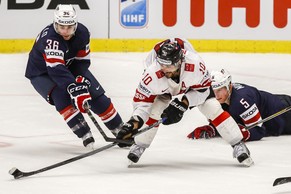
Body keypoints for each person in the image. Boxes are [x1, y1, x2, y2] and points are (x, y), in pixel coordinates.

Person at [116, 39, 254, 167]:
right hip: (164, 90)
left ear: (178, 62)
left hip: (192, 86)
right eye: (161, 63)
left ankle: (238, 144)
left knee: (212, 107)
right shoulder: (151, 74)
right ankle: (139, 145)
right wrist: (134, 123)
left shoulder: (195, 65)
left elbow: (203, 91)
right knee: (155, 109)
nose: (163, 68)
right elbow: (142, 104)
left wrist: (184, 103)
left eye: (168, 65)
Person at [25, 4, 123, 149]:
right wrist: (74, 87)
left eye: (69, 27)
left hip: (68, 66)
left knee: (94, 93)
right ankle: (84, 133)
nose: (65, 31)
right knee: (61, 96)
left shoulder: (83, 33)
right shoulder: (51, 39)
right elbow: (56, 69)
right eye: (61, 27)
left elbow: (82, 61)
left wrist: (79, 81)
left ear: (75, 25)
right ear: (55, 24)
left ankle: (120, 130)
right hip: (42, 73)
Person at [187, 69, 291, 141]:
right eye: (213, 90)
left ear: (229, 86)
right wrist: (213, 129)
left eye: (219, 90)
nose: (216, 95)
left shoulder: (241, 100)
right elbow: (229, 121)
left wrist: (242, 133)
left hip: (285, 114)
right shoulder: (219, 99)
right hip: (277, 106)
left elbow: (259, 130)